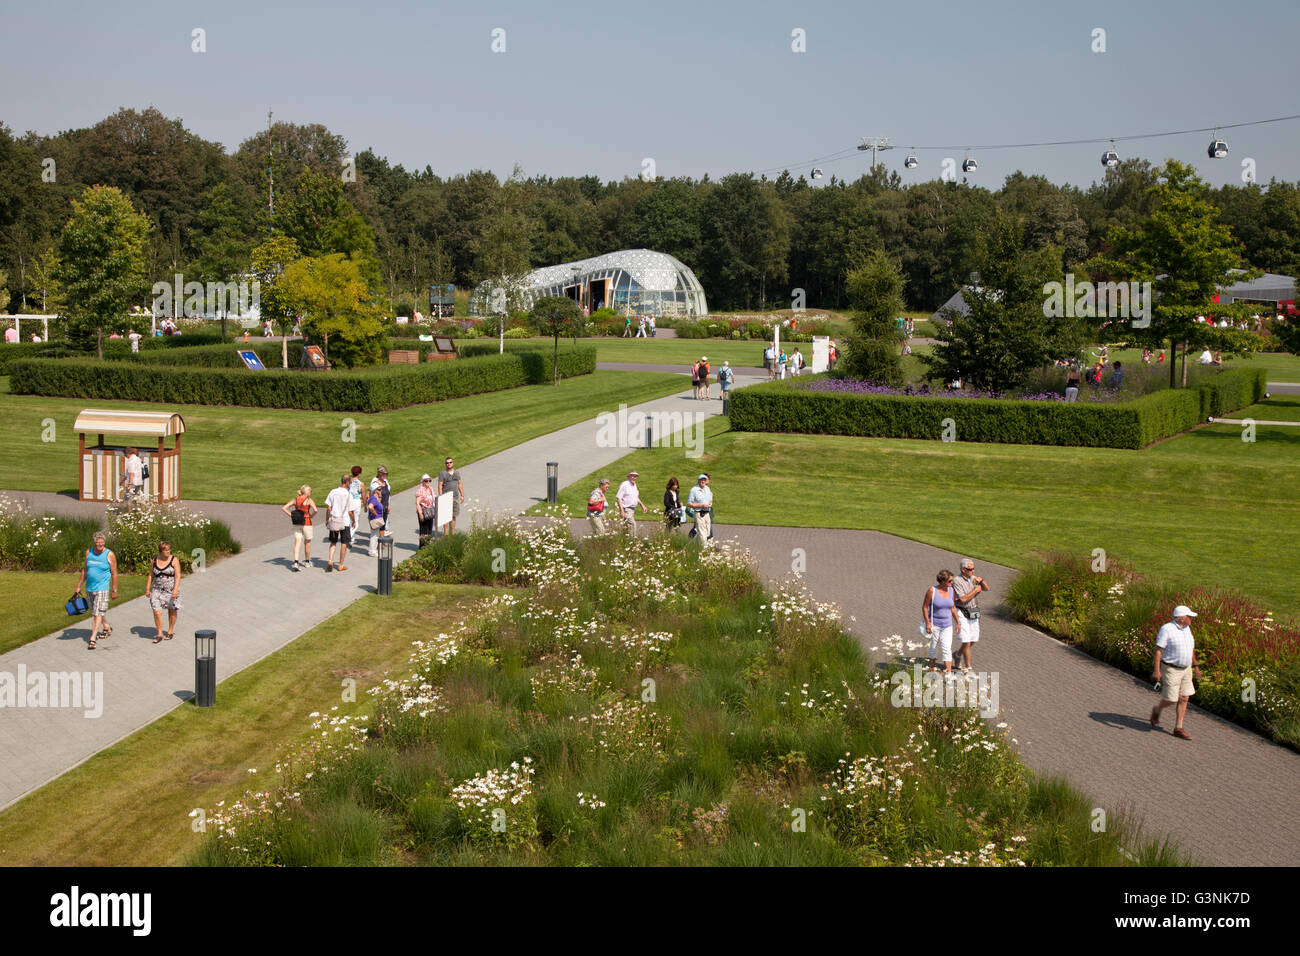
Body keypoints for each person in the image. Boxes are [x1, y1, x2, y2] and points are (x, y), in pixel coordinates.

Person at [1150, 605, 1202, 740]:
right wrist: (1156, 670)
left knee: (1185, 697)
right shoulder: (1167, 629)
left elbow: (1190, 649)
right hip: (1171, 669)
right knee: (1171, 699)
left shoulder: (1187, 629)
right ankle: (1157, 710)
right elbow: (1158, 650)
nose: (1191, 619)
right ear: (1182, 618)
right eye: (1189, 616)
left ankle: (1178, 728)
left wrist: (1196, 667)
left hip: (1186, 669)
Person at [74, 532, 118, 650]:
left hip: (102, 588)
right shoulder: (89, 552)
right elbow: (85, 570)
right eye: (98, 542)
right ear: (94, 542)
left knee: (97, 614)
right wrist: (79, 586)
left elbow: (114, 573)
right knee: (95, 611)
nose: (100, 544)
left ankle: (92, 638)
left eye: (102, 542)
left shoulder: (109, 554)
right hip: (89, 588)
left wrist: (114, 590)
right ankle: (106, 627)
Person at [921, 570, 964, 675]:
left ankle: (948, 673)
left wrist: (958, 622)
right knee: (933, 647)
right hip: (934, 625)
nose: (952, 582)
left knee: (947, 648)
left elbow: (953, 607)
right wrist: (928, 623)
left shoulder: (951, 591)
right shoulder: (932, 591)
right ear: (942, 581)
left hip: (947, 625)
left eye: (952, 580)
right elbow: (925, 607)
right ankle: (931, 669)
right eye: (950, 581)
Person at [951, 559, 989, 672]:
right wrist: (975, 591)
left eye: (973, 569)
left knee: (974, 639)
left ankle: (957, 655)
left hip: (973, 610)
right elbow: (962, 599)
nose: (973, 571)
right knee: (966, 641)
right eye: (970, 569)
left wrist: (981, 580)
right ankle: (968, 667)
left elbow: (987, 588)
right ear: (963, 570)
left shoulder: (974, 579)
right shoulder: (957, 581)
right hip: (961, 611)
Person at [147, 540, 182, 644]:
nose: (168, 552)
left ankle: (170, 631)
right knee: (156, 611)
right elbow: (150, 575)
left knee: (171, 610)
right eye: (166, 550)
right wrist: (147, 588)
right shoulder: (154, 560)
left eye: (169, 550)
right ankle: (159, 633)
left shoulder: (174, 560)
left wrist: (175, 589)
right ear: (161, 551)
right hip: (157, 590)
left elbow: (178, 575)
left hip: (170, 590)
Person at [281, 484, 317, 570]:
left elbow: (284, 508)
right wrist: (311, 516)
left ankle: (296, 562)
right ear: (307, 492)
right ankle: (307, 562)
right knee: (307, 542)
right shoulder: (309, 500)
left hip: (297, 523)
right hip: (307, 523)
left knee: (297, 542)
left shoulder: (295, 499)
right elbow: (315, 510)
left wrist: (292, 516)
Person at [324, 474, 355, 571]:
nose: (350, 484)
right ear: (346, 483)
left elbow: (329, 508)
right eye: (350, 482)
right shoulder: (349, 495)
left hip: (334, 520)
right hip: (344, 521)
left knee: (333, 542)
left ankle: (330, 560)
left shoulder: (333, 492)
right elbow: (350, 511)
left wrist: (327, 519)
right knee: (344, 543)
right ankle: (341, 564)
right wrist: (354, 520)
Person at [369, 466, 392, 555]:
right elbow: (371, 495)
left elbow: (388, 495)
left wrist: (388, 505)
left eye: (386, 474)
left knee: (383, 527)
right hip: (378, 508)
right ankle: (374, 549)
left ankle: (381, 545)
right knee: (376, 529)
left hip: (385, 507)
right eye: (383, 474)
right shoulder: (375, 483)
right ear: (379, 474)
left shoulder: (385, 483)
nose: (385, 476)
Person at [685, 473, 713, 546]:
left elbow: (710, 499)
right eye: (701, 479)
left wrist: (710, 503)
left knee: (707, 533)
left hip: (707, 513)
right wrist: (701, 505)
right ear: (698, 480)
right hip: (698, 513)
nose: (703, 481)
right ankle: (703, 551)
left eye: (704, 479)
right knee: (702, 534)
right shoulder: (694, 490)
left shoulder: (707, 488)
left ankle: (695, 546)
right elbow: (689, 504)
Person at [616, 470, 647, 535]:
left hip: (632, 509)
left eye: (636, 476)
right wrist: (622, 511)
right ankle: (632, 541)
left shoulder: (634, 485)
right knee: (632, 525)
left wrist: (642, 505)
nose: (634, 478)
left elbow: (635, 497)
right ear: (629, 476)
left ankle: (625, 542)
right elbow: (619, 498)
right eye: (632, 476)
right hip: (626, 509)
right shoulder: (624, 485)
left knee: (626, 528)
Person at [438, 457, 464, 534]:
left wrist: (462, 495)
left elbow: (459, 484)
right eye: (447, 463)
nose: (449, 464)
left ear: (453, 463)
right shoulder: (442, 473)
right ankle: (445, 534)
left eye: (450, 462)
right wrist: (441, 497)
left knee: (453, 516)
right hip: (446, 498)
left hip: (455, 497)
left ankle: (452, 534)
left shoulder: (457, 472)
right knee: (445, 518)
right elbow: (440, 486)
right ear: (445, 464)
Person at [347, 465, 366, 554]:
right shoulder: (360, 483)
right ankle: (349, 537)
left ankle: (352, 538)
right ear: (359, 473)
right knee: (356, 521)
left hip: (348, 500)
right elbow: (363, 495)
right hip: (356, 502)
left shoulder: (348, 481)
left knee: (350, 519)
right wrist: (365, 505)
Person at [366, 483, 389, 551]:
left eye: (381, 489)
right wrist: (374, 513)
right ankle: (372, 551)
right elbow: (370, 506)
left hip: (376, 518)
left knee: (375, 535)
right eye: (379, 489)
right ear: (375, 490)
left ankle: (373, 550)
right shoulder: (373, 498)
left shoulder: (375, 497)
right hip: (374, 519)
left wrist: (379, 496)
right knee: (374, 536)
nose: (381, 490)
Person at [415, 474, 436, 546]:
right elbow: (417, 503)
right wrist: (420, 514)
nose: (428, 482)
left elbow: (434, 499)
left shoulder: (431, 489)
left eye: (429, 480)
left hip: (430, 511)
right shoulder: (420, 490)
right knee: (423, 530)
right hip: (423, 511)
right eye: (426, 480)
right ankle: (422, 547)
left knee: (429, 530)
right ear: (423, 482)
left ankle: (427, 545)